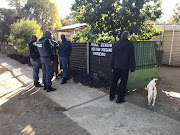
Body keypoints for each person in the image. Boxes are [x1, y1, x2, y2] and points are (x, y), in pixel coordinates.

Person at [110, 31, 136, 103]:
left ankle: (111, 96)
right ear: (128, 36)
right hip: (125, 67)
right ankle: (120, 99)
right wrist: (132, 69)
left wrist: (111, 65)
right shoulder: (130, 45)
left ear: (121, 36)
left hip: (116, 66)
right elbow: (132, 58)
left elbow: (113, 56)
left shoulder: (116, 44)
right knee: (123, 83)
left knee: (114, 81)